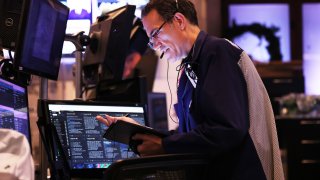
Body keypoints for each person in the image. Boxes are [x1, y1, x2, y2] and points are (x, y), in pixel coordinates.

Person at [96, 0, 284, 179]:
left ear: (179, 20)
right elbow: (192, 134)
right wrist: (142, 133)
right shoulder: (189, 69)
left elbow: (228, 129)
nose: (155, 46)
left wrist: (165, 145)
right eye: (151, 41)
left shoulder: (217, 52)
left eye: (155, 34)